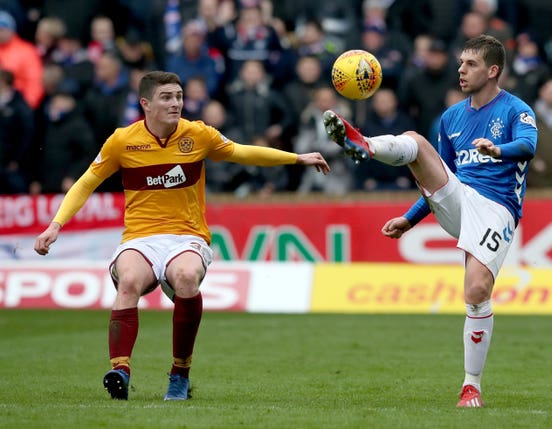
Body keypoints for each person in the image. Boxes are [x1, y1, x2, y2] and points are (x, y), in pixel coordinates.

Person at [33, 71, 330, 401]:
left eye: (178, 96)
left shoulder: (197, 135)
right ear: (146, 104)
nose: (176, 103)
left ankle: (180, 374)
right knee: (129, 281)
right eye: (167, 97)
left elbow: (242, 152)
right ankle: (120, 370)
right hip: (141, 236)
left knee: (187, 277)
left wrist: (296, 158)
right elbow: (86, 182)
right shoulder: (122, 141)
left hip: (186, 236)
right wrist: (55, 224)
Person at [322, 34, 537, 408]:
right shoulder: (451, 117)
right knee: (416, 143)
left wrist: (497, 149)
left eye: (470, 64)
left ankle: (471, 385)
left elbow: (528, 147)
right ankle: (365, 145)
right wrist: (410, 219)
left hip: (497, 209)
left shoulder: (516, 110)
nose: (461, 70)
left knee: (476, 291)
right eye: (460, 63)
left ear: (493, 70)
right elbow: (440, 176)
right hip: (458, 200)